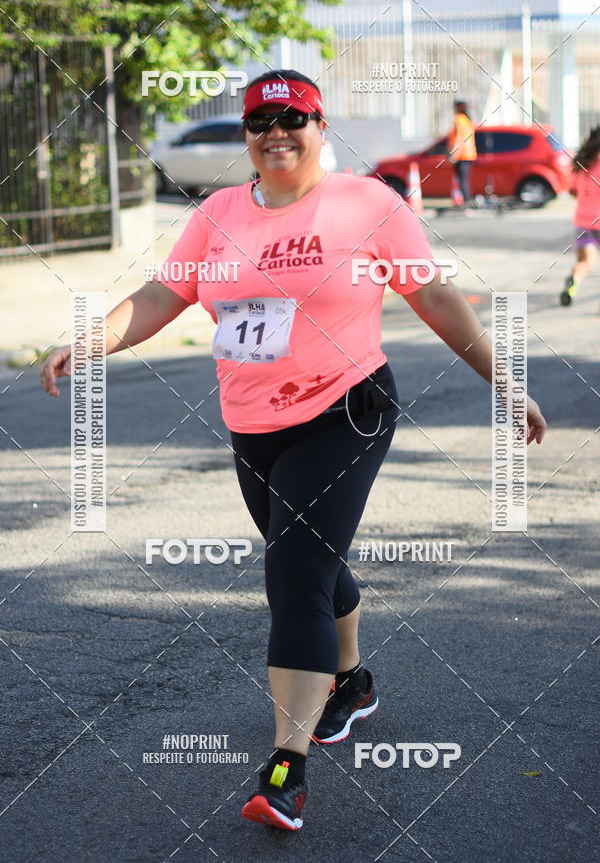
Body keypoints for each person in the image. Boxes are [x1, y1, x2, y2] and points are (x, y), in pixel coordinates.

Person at [40, 69, 547, 832]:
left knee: (293, 572)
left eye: (293, 117)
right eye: (260, 121)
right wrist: (91, 338)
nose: (276, 132)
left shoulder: (369, 204)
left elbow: (436, 296)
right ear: (246, 135)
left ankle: (287, 770)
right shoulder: (215, 213)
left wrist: (506, 382)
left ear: (320, 124)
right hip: (253, 425)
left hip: (346, 413)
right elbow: (163, 295)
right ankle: (352, 680)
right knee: (308, 556)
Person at [560, 126, 600, 306]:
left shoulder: (583, 161)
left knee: (584, 262)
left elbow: (573, 191)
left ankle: (574, 281)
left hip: (583, 221)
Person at [448, 100, 477, 207]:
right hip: (470, 153)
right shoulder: (468, 120)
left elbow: (458, 138)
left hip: (461, 154)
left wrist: (453, 154)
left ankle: (466, 201)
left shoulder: (458, 120)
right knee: (465, 179)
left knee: (462, 179)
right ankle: (467, 200)